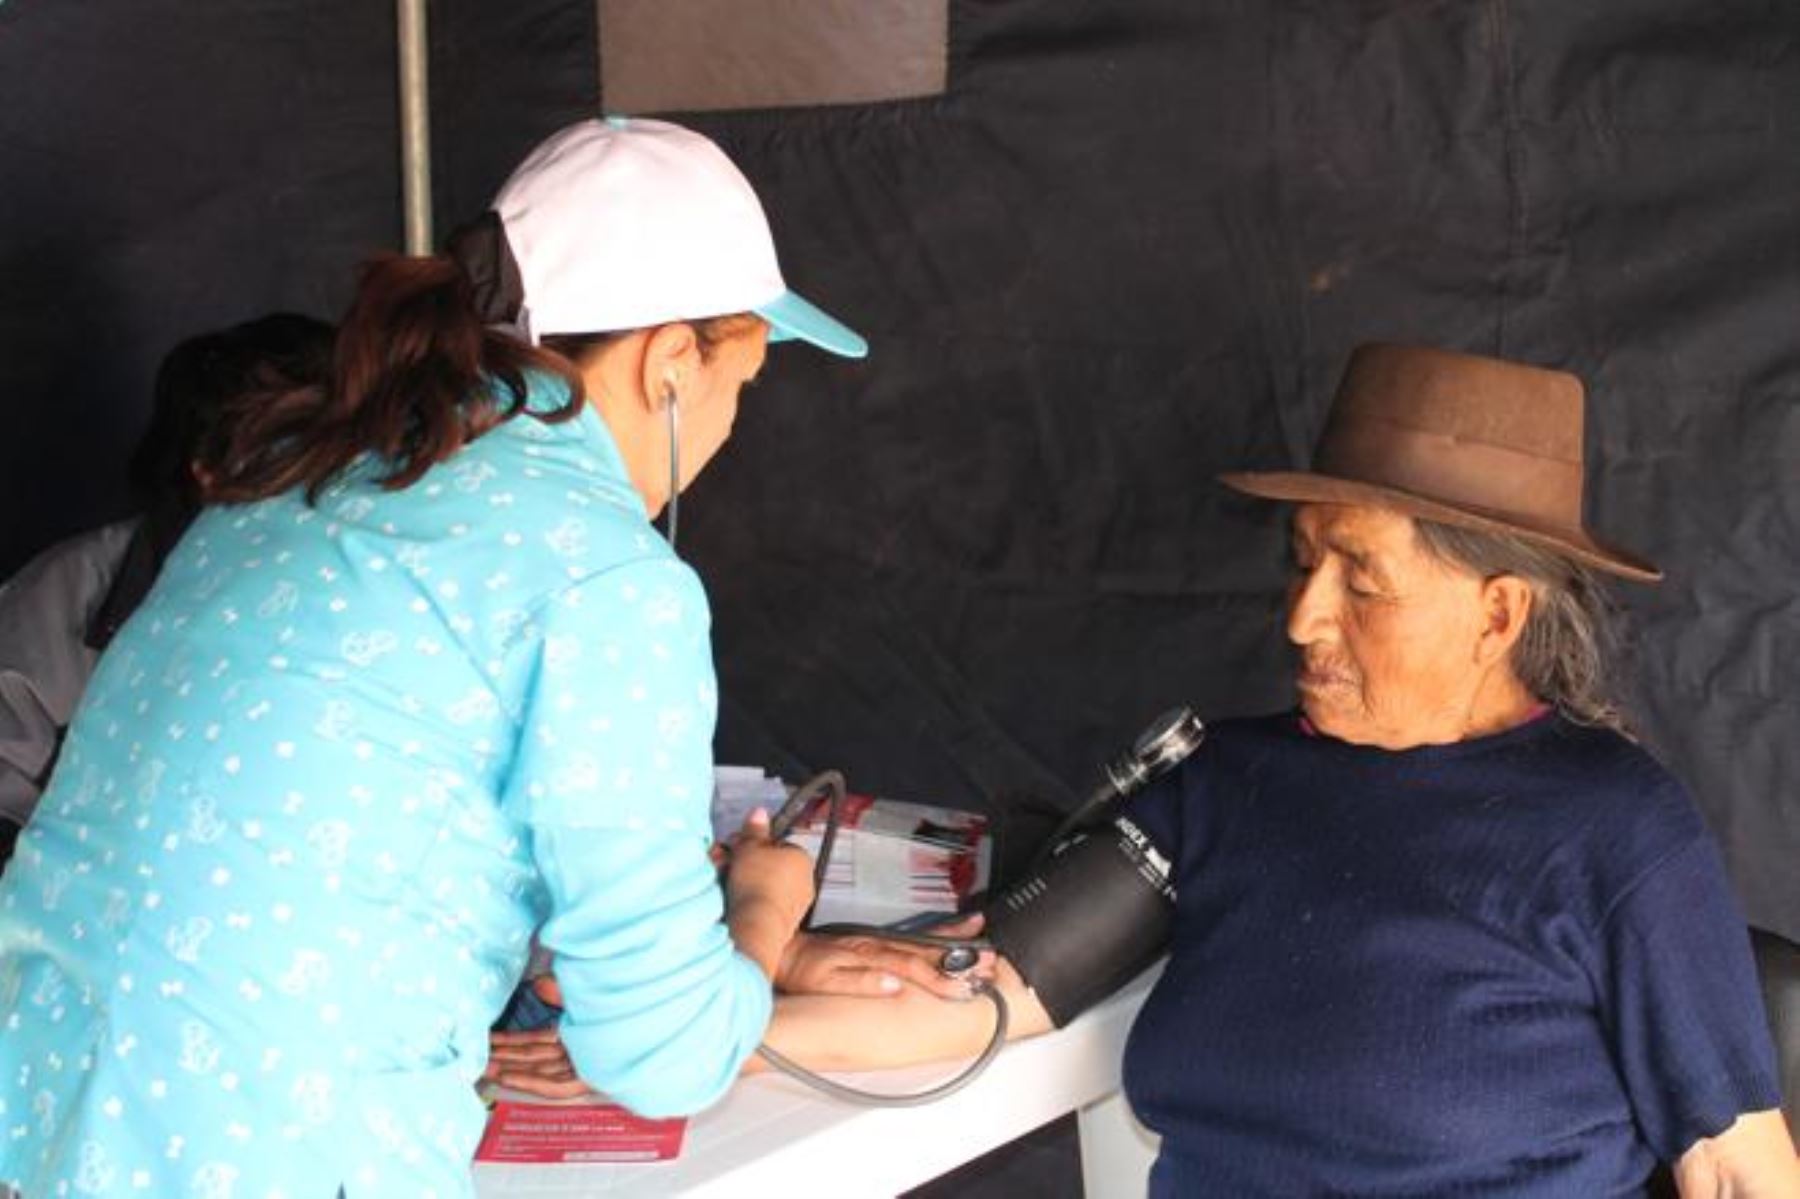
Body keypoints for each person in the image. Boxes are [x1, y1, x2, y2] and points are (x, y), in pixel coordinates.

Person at [0, 116, 882, 1198]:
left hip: (39, 1111)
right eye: (739, 383)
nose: (730, 426)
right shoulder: (608, 576)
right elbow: (662, 1052)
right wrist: (764, 910)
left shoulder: (290, 471)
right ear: (668, 363)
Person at [747, 345, 1800, 1195]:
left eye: (1364, 583)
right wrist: (691, 1040)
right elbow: (979, 992)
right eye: (1305, 561)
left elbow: (1741, 1166)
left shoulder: (1615, 828)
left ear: (1497, 613)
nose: (1303, 617)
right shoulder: (1228, 781)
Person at [0, 313, 333, 863]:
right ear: (211, 471)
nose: (329, 479)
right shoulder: (67, 606)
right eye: (297, 452)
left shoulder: (378, 591)